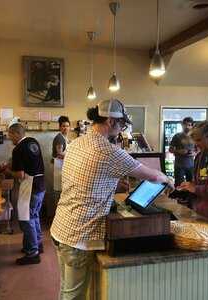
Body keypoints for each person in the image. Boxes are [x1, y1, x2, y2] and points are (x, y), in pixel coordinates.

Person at [50, 99, 173, 300]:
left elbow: (84, 180)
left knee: (66, 290)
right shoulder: (109, 151)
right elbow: (152, 175)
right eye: (121, 124)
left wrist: (113, 185)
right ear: (110, 121)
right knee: (73, 296)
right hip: (79, 236)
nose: (121, 129)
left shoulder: (76, 143)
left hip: (62, 226)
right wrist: (167, 179)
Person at [7, 123, 46, 265]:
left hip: (30, 186)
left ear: (16, 134)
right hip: (41, 185)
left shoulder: (18, 149)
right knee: (34, 216)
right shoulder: (33, 142)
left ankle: (32, 253)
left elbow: (20, 175)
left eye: (10, 135)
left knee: (26, 219)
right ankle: (37, 244)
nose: (9, 138)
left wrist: (8, 171)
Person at [169, 117, 195, 187]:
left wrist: (194, 153)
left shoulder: (194, 136)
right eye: (185, 125)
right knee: (179, 185)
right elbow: (170, 150)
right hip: (179, 165)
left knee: (191, 185)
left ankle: (189, 198)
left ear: (192, 126)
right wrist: (179, 151)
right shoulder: (177, 136)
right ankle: (179, 198)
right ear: (182, 125)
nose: (187, 127)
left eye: (189, 125)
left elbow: (198, 149)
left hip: (191, 165)